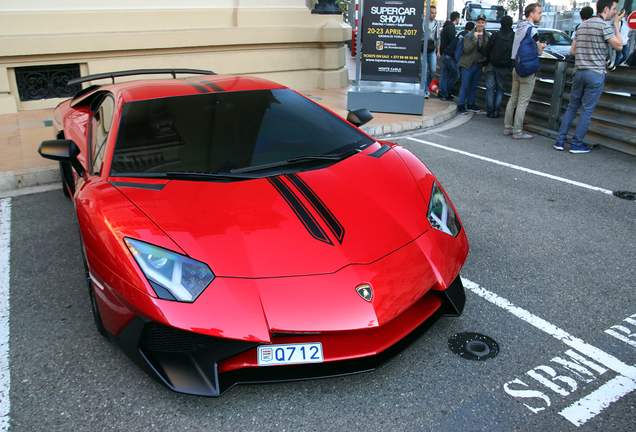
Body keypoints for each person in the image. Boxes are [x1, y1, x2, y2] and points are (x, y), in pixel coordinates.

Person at [553, 0, 625, 153]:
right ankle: (576, 144)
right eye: (613, 9)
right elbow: (618, 46)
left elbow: (573, 50)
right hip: (595, 73)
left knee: (572, 107)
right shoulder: (604, 26)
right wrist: (617, 25)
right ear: (605, 9)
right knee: (586, 110)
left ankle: (560, 141)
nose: (614, 13)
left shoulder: (582, 26)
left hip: (579, 72)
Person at [503, 3, 546, 139]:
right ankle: (518, 131)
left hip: (516, 66)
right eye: (539, 12)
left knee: (513, 98)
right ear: (531, 14)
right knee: (523, 101)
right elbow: (538, 50)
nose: (541, 15)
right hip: (527, 69)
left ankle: (508, 127)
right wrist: (542, 46)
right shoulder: (532, 30)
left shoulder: (519, 27)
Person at [482, 15, 514, 118]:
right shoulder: (513, 36)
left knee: (490, 88)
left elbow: (487, 49)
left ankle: (490, 111)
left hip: (492, 64)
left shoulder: (495, 35)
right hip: (504, 66)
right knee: (500, 89)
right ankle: (497, 111)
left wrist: (484, 64)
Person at [457, 14, 489, 115]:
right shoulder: (469, 35)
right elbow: (466, 50)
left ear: (485, 23)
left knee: (474, 86)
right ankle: (461, 105)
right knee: (465, 85)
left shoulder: (487, 36)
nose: (480, 24)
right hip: (468, 65)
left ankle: (471, 104)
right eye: (479, 22)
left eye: (482, 22)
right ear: (476, 23)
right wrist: (475, 40)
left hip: (479, 65)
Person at [438, 11, 461, 101]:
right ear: (457, 18)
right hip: (449, 55)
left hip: (443, 54)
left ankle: (442, 92)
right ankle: (445, 91)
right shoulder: (451, 28)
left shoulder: (445, 27)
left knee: (444, 74)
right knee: (455, 75)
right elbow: (453, 42)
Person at [423, 6, 440, 99]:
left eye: (435, 13)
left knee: (433, 70)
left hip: (432, 49)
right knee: (424, 70)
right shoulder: (423, 22)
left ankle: (427, 85)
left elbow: (438, 38)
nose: (433, 15)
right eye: (432, 12)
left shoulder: (436, 23)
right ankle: (426, 90)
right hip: (423, 49)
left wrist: (438, 51)